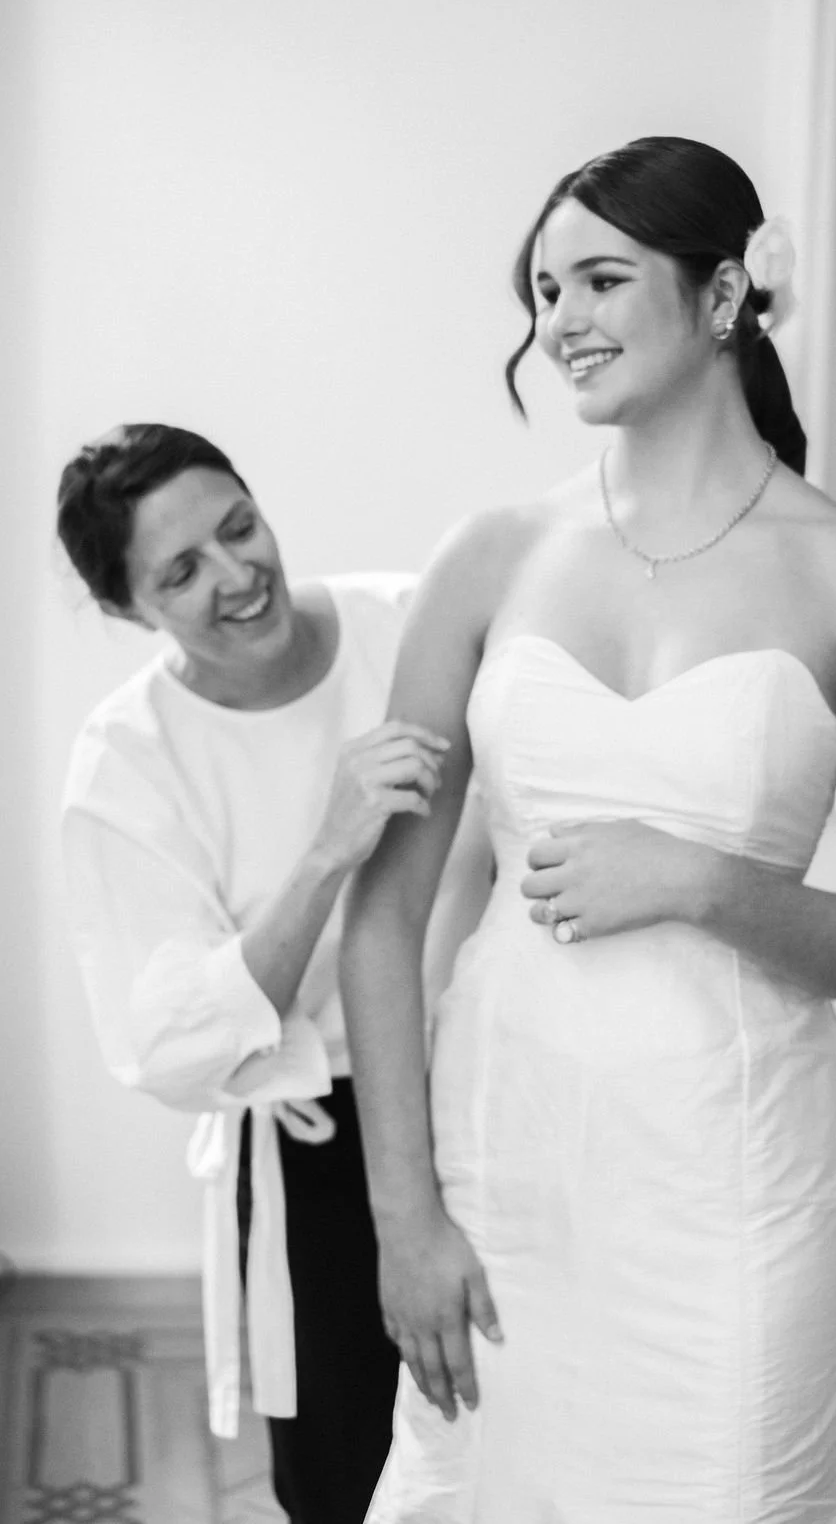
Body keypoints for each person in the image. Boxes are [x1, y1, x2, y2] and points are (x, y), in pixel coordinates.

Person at [338, 137, 836, 1522]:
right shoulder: (489, 555)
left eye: (599, 278)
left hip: (731, 1188)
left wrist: (702, 881)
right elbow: (384, 915)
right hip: (500, 1164)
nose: (557, 320)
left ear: (726, 293)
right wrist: (405, 1217)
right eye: (543, 288)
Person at [57, 424, 492, 1524]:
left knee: (506, 1434)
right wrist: (327, 852)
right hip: (319, 1145)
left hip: (495, 1088)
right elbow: (166, 1046)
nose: (238, 575)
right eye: (181, 572)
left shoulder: (411, 625)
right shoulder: (128, 764)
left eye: (238, 526)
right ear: (128, 611)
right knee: (352, 1470)